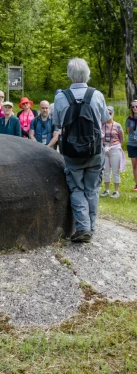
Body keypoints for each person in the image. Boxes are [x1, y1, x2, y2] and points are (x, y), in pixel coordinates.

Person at [53, 57, 109, 243]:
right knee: (92, 188)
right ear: (87, 73)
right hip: (94, 151)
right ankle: (90, 227)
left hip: (71, 152)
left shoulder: (61, 97)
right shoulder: (97, 95)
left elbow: (58, 123)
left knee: (76, 187)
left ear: (70, 75)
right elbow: (103, 120)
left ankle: (83, 227)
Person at [100, 106, 124, 198]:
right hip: (104, 149)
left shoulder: (117, 125)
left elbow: (121, 138)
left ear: (113, 114)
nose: (108, 115)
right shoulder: (102, 125)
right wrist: (104, 147)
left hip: (115, 148)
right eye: (106, 113)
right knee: (106, 170)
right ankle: (106, 189)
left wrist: (115, 146)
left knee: (115, 170)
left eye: (110, 113)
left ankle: (116, 191)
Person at [126, 99, 137, 191]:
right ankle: (136, 184)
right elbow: (128, 131)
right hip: (132, 143)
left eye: (136, 106)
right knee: (134, 165)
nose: (135, 108)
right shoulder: (129, 119)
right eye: (133, 106)